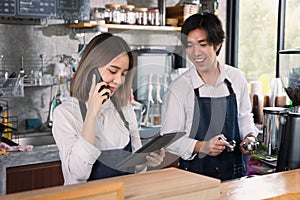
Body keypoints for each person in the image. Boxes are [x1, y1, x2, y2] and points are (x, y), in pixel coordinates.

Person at [52, 33, 165, 185]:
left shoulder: (125, 110)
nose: (119, 80)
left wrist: (146, 160)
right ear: (91, 69)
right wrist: (92, 113)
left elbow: (135, 167)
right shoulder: (65, 114)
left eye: (123, 74)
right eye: (113, 71)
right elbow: (79, 173)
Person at [160, 13, 259, 181]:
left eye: (202, 44)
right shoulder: (179, 88)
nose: (195, 52)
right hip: (194, 179)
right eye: (189, 45)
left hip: (235, 177)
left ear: (217, 44)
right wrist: (202, 146)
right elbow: (169, 138)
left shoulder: (236, 78)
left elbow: (244, 118)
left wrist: (249, 137)